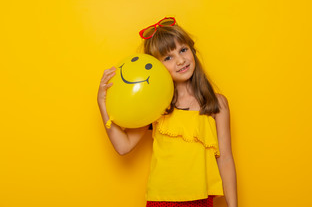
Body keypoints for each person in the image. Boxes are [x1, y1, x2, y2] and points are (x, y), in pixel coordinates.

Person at [97, 17, 238, 207]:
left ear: (192, 50)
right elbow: (123, 146)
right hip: (161, 202)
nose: (180, 60)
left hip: (202, 201)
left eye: (183, 50)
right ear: (157, 66)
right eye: (168, 58)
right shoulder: (156, 106)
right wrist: (102, 103)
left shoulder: (216, 104)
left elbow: (226, 159)